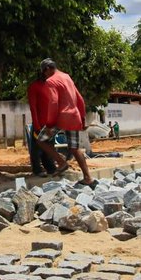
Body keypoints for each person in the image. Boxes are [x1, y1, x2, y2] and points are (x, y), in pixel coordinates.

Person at [36, 58, 97, 187]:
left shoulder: (51, 81)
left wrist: (50, 124)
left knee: (40, 140)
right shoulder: (67, 77)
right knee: (74, 148)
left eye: (44, 72)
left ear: (47, 69)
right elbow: (79, 98)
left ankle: (61, 162)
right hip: (74, 117)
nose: (44, 75)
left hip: (61, 117)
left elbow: (53, 103)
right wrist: (82, 118)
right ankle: (88, 178)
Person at [27, 74, 56, 177]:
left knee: (50, 147)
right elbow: (33, 107)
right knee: (37, 149)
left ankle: (50, 168)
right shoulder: (34, 87)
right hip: (39, 125)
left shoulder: (51, 87)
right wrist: (37, 125)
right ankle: (37, 170)